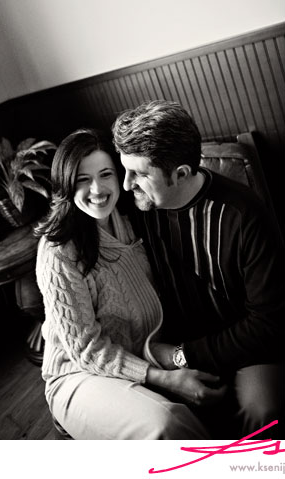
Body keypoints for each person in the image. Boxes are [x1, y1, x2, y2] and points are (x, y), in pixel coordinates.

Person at [111, 100, 283, 439]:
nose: (127, 185)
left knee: (262, 410)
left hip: (244, 347)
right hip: (164, 342)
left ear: (181, 174)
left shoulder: (244, 215)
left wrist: (181, 357)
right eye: (124, 169)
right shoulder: (134, 210)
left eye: (140, 174)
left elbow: (267, 325)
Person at [35, 128, 211, 439]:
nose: (97, 189)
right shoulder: (58, 251)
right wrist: (165, 379)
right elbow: (87, 351)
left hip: (141, 352)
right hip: (78, 372)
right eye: (82, 179)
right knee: (164, 425)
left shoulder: (132, 219)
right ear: (66, 184)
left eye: (105, 175)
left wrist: (171, 357)